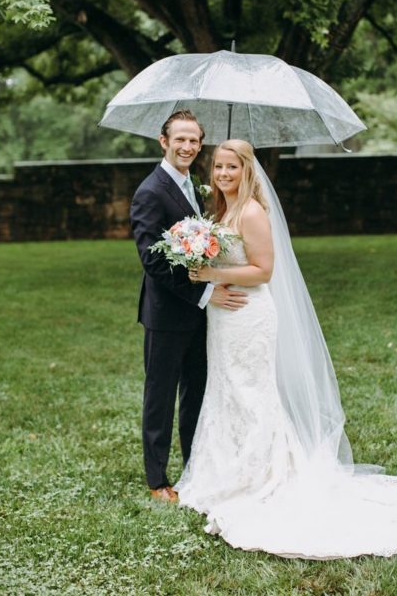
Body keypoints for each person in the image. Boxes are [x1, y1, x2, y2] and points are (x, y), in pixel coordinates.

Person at [175, 139, 397, 558]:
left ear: (247, 170)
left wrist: (210, 271)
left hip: (249, 317)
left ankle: (259, 475)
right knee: (228, 390)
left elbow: (264, 270)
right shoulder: (222, 212)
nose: (224, 174)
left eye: (232, 168)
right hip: (224, 320)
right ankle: (222, 470)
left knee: (251, 392)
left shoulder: (251, 212)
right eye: (219, 167)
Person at [129, 110, 248, 503]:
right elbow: (153, 260)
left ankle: (196, 466)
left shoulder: (194, 188)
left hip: (200, 317)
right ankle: (157, 479)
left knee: (196, 392)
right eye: (180, 139)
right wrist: (204, 293)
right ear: (163, 141)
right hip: (167, 315)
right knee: (160, 395)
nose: (187, 146)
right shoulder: (150, 191)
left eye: (194, 140)